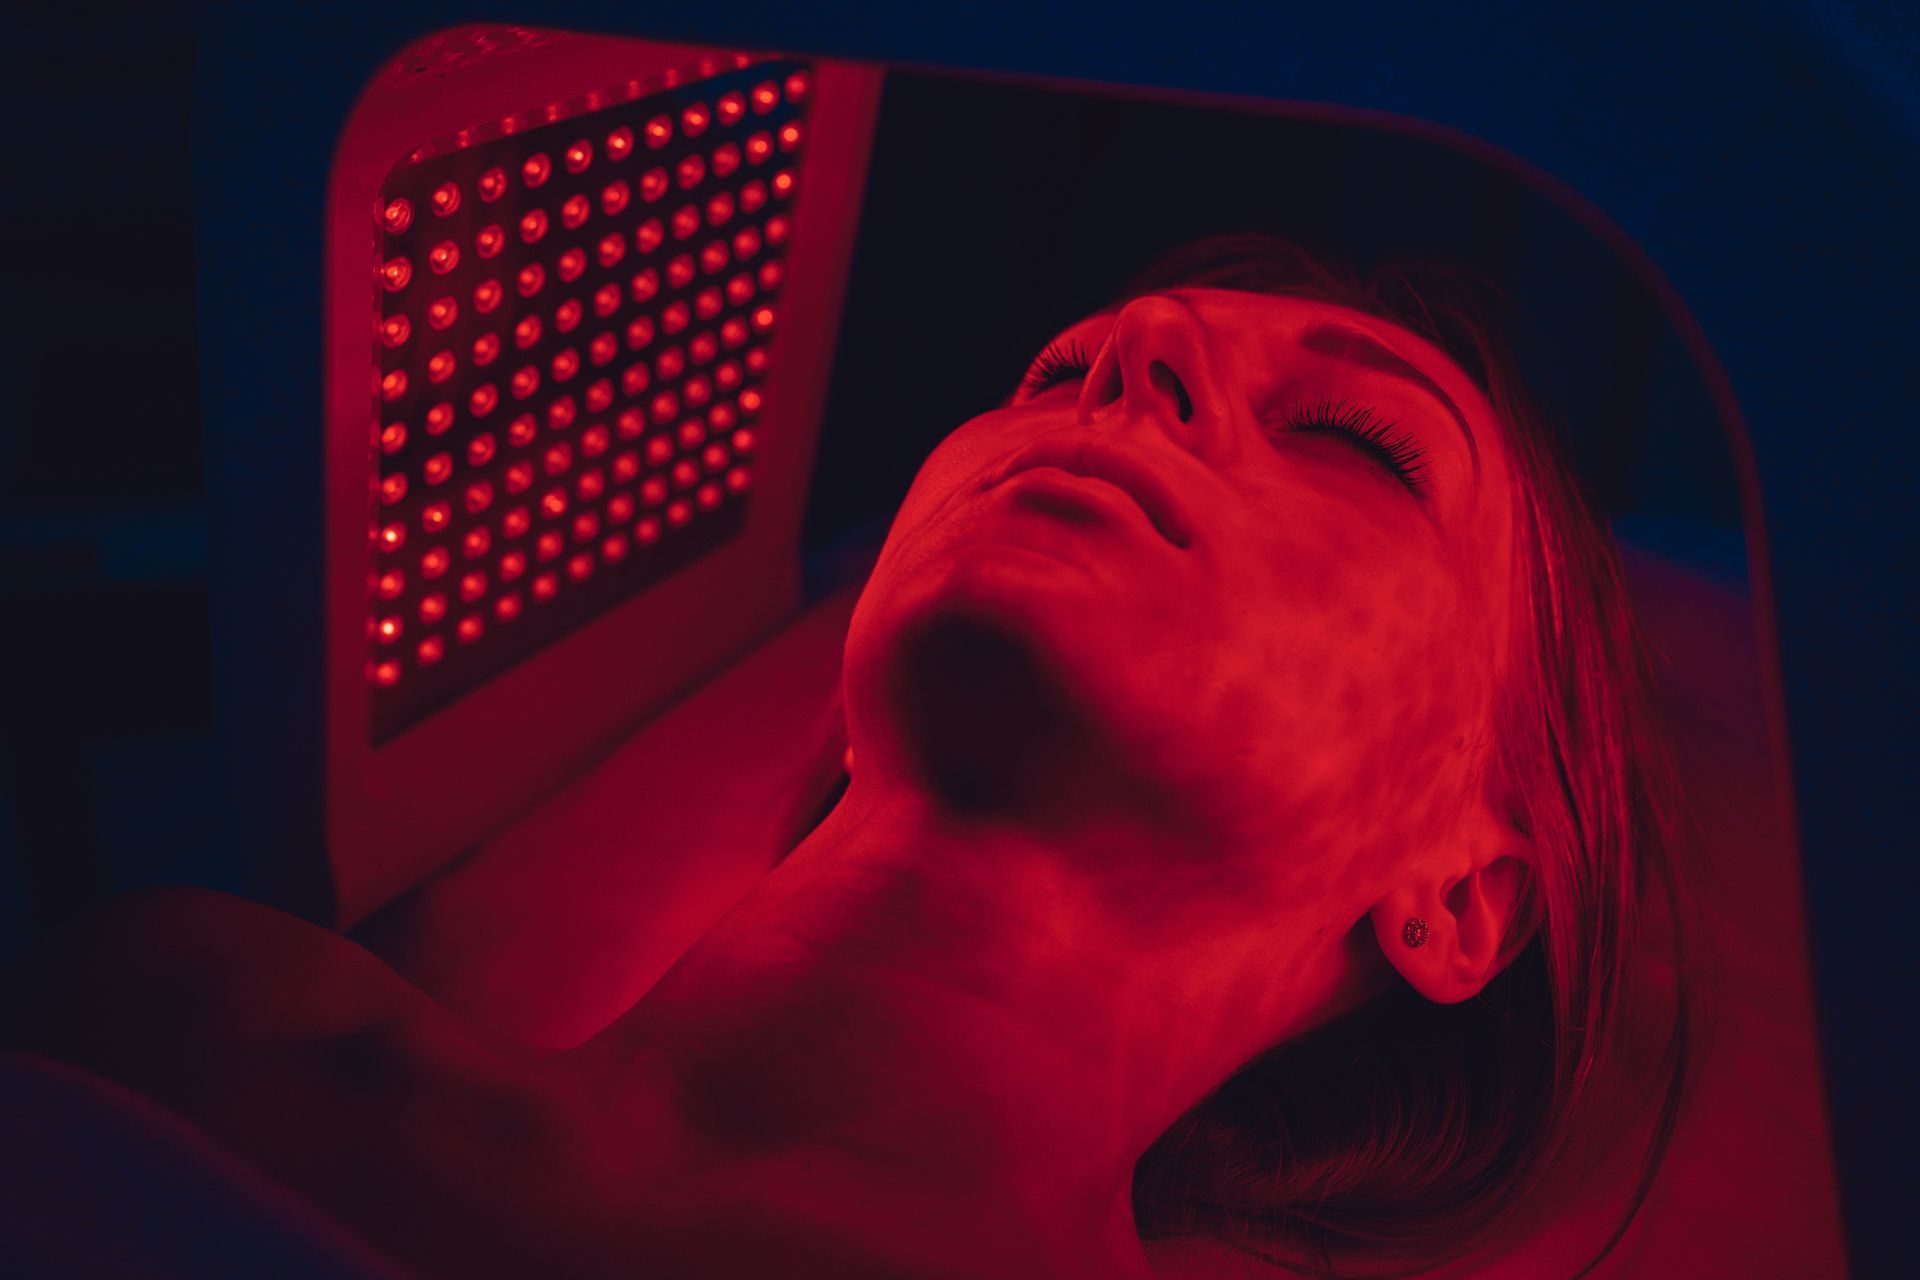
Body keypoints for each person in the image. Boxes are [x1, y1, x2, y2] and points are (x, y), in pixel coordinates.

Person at [3, 234, 1695, 1279]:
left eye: (1355, 438)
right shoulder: (186, 1018)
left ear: (1461, 902)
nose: (1133, 360)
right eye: (1058, 370)